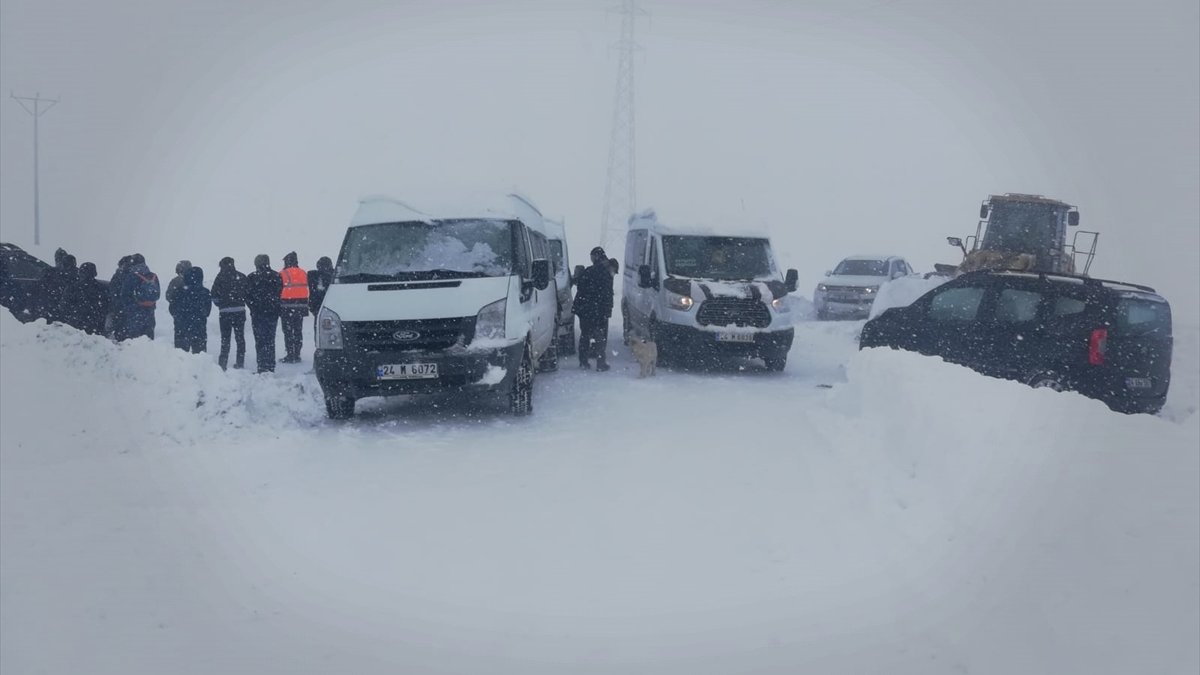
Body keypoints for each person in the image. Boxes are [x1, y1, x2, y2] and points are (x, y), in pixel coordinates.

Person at [572, 246, 615, 371]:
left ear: (596, 256)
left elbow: (581, 287)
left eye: (591, 256)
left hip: (586, 309)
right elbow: (608, 293)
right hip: (599, 309)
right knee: (600, 337)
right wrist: (607, 309)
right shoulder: (606, 271)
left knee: (585, 335)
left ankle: (583, 362)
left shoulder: (589, 271)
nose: (590, 259)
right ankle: (601, 363)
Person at [245, 254, 282, 373]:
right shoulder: (277, 276)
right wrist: (274, 306)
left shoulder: (251, 277)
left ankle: (262, 366)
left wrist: (254, 307)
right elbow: (279, 293)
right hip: (272, 313)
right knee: (270, 340)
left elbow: (247, 296)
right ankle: (271, 366)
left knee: (260, 340)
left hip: (258, 314)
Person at [210, 256, 249, 370]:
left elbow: (214, 296)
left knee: (225, 338)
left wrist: (221, 305)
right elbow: (248, 293)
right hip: (240, 311)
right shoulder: (241, 276)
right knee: (240, 337)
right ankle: (240, 363)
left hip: (225, 312)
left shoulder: (219, 278)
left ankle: (223, 363)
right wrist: (241, 303)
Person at [116, 253, 159, 341]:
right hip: (150, 312)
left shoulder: (131, 276)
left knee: (134, 341)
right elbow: (157, 294)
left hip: (134, 313)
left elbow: (124, 295)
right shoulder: (153, 276)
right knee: (148, 340)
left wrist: (129, 307)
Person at [168, 266, 211, 354]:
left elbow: (172, 308)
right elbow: (207, 311)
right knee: (200, 356)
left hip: (181, 328)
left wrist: (179, 317)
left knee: (181, 357)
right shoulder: (205, 292)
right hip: (199, 328)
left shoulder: (178, 291)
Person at [278, 251, 310, 363]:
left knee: (287, 331)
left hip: (287, 306)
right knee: (298, 330)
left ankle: (290, 354)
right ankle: (297, 354)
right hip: (301, 306)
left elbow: (278, 289)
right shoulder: (303, 272)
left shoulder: (283, 273)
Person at [165, 260, 193, 349]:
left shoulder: (175, 281)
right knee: (191, 333)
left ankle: (180, 354)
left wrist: (176, 304)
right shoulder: (194, 279)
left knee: (179, 333)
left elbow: (168, 296)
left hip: (179, 313)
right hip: (192, 312)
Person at [76, 262, 110, 336]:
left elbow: (64, 307)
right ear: (95, 273)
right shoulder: (103, 288)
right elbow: (106, 307)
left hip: (76, 329)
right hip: (97, 328)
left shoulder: (73, 288)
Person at [107, 255, 133, 337]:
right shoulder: (133, 275)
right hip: (130, 308)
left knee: (120, 329)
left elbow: (112, 290)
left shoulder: (118, 275)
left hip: (119, 307)